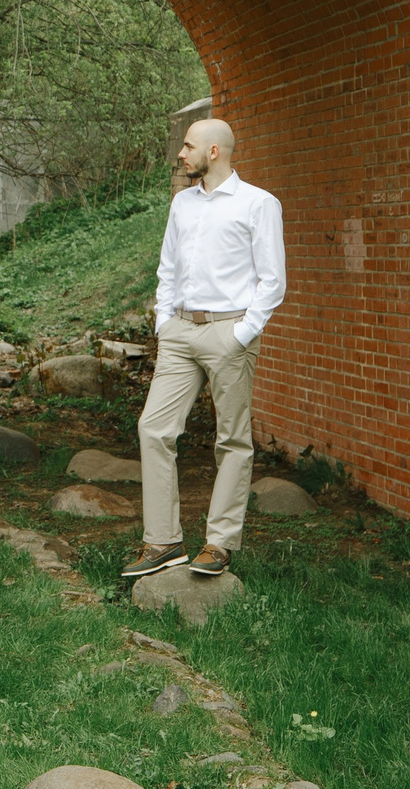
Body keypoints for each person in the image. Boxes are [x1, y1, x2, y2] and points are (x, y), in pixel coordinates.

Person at [119, 117, 286, 580]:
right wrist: (163, 321)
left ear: (214, 152)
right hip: (179, 334)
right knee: (154, 429)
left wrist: (241, 334)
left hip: (228, 333)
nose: (181, 153)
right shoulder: (182, 204)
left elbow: (273, 281)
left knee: (231, 440)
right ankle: (163, 540)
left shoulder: (258, 204)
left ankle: (219, 543)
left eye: (188, 146)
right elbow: (167, 267)